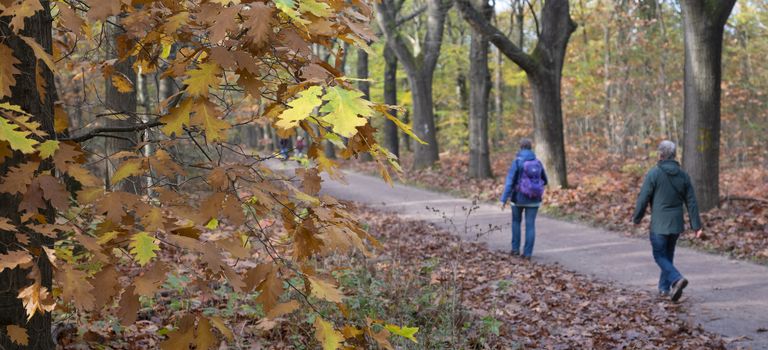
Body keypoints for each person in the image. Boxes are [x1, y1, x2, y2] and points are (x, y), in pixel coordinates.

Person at [633, 140, 702, 302]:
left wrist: (637, 217)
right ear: (674, 154)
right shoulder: (683, 175)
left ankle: (676, 279)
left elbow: (643, 198)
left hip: (659, 224)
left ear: (661, 154)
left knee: (659, 255)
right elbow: (691, 201)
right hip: (676, 224)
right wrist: (696, 226)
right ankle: (664, 289)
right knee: (668, 255)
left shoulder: (654, 173)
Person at [500, 138, 548, 260]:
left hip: (518, 199)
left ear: (520, 147)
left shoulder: (517, 162)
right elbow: (545, 180)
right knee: (530, 225)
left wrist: (503, 199)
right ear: (530, 148)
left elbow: (510, 182)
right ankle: (527, 254)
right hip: (534, 199)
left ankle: (515, 249)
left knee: (516, 222)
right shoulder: (537, 162)